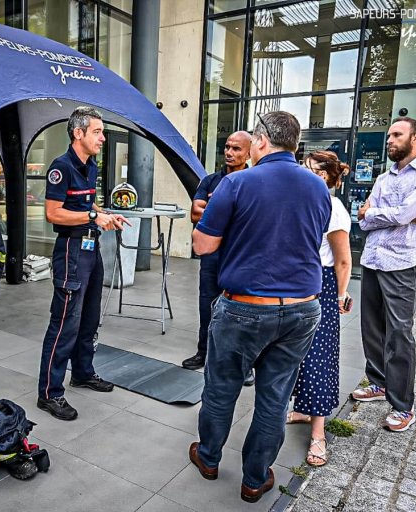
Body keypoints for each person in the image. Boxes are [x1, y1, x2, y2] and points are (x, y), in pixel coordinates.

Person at [187, 111, 330, 503]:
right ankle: (255, 479)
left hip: (245, 308)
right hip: (302, 309)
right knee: (275, 395)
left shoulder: (237, 182)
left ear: (262, 141)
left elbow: (202, 245)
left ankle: (210, 458)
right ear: (295, 144)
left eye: (250, 142)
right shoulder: (319, 188)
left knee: (221, 388)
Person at [351, 117, 416, 433]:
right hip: (373, 260)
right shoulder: (383, 179)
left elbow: (402, 214)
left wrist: (375, 213)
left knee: (399, 334)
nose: (389, 139)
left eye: (396, 134)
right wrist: (383, 216)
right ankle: (378, 383)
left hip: (402, 263)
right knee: (372, 328)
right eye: (389, 134)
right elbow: (362, 221)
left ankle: (403, 406)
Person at [36, 107, 129, 421]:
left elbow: (88, 201)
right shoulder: (61, 167)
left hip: (91, 248)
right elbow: (53, 213)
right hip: (71, 251)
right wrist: (92, 217)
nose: (103, 138)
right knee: (64, 324)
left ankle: (83, 372)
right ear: (79, 133)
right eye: (98, 132)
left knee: (89, 319)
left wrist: (105, 214)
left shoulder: (91, 166)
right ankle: (50, 393)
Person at [286, 150, 353, 467]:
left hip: (323, 285)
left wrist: (339, 296)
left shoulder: (333, 207)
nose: (303, 171)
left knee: (318, 358)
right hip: (296, 282)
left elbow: (342, 261)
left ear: (325, 176)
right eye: (302, 166)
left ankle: (318, 435)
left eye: (311, 169)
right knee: (294, 353)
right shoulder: (300, 201)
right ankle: (301, 410)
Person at [182, 131, 256, 387]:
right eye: (227, 147)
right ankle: (204, 352)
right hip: (212, 257)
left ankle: (243, 364)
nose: (229, 152)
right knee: (207, 305)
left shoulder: (251, 181)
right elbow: (195, 213)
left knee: (241, 311)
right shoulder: (211, 180)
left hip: (240, 258)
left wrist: (217, 209)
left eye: (236, 149)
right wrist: (223, 208)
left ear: (248, 153)